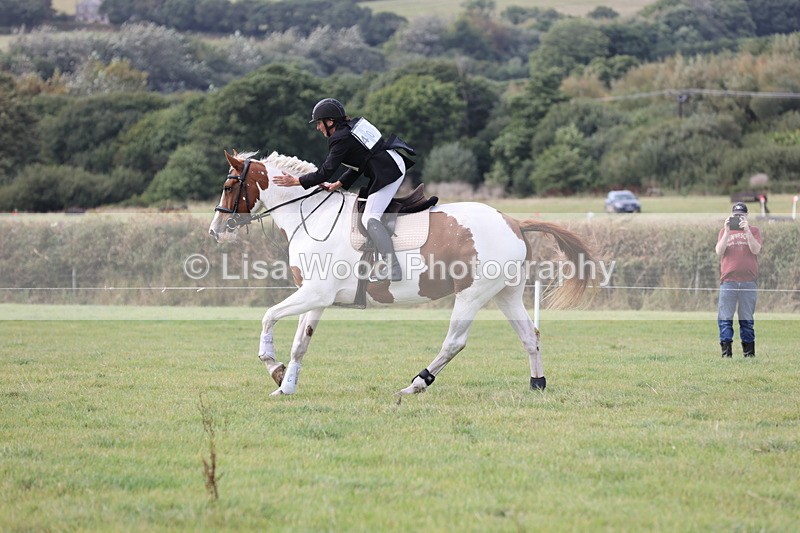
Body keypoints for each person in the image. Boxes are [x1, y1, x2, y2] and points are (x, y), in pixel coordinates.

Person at [272, 98, 415, 281]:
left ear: (330, 121)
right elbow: (361, 160)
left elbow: (324, 173)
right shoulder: (351, 128)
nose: (318, 128)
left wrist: (296, 181)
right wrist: (339, 183)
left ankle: (393, 268)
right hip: (389, 164)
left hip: (389, 170)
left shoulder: (340, 138)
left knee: (370, 218)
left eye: (319, 123)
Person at [714, 202, 762, 357]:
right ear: (731, 215)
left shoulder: (754, 231)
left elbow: (756, 249)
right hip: (729, 282)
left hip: (749, 282)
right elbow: (719, 251)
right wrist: (727, 231)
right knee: (725, 318)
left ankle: (749, 354)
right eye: (736, 215)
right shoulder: (724, 231)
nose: (738, 217)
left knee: (747, 319)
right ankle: (726, 353)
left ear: (746, 216)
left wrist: (747, 230)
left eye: (741, 215)